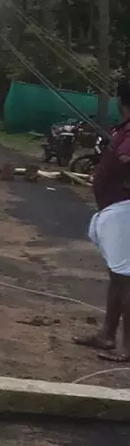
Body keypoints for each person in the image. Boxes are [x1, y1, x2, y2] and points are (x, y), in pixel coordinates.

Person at [76, 80, 130, 362]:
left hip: (124, 210)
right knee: (117, 276)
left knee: (126, 279)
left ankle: (127, 347)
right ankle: (107, 335)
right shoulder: (123, 128)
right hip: (114, 208)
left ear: (119, 100)